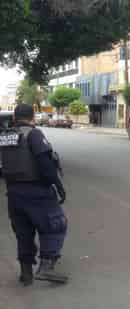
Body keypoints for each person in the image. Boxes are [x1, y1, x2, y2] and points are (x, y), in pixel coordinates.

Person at [0, 104, 69, 286]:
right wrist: (57, 185)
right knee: (54, 225)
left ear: (15, 117)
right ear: (32, 117)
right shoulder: (34, 134)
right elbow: (44, 163)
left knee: (24, 232)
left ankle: (26, 273)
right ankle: (46, 266)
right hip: (37, 191)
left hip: (14, 193)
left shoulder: (6, 136)